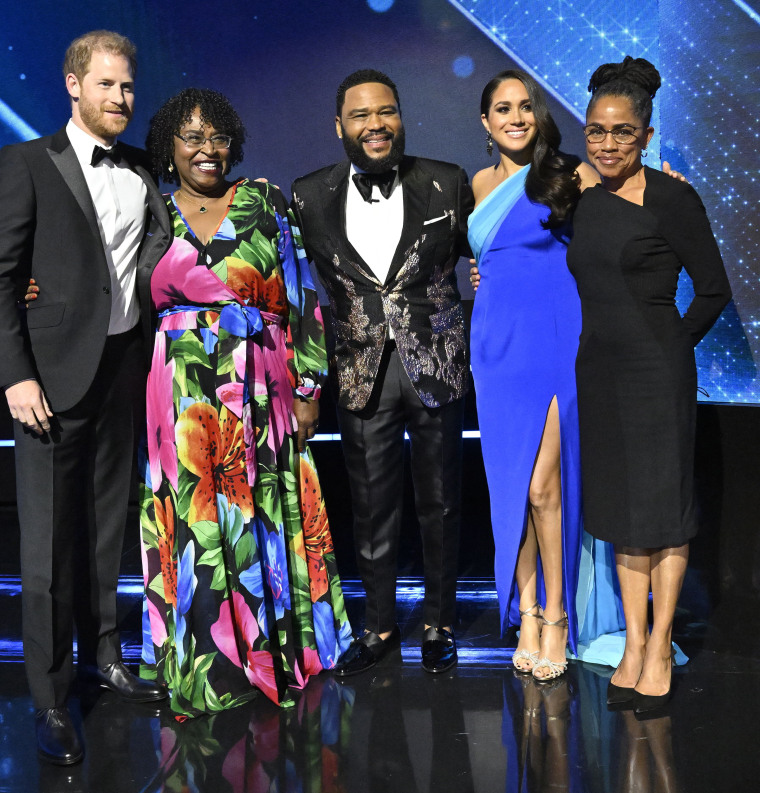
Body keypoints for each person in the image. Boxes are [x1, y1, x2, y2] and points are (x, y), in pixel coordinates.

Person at [138, 88, 352, 717]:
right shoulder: (153, 211)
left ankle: (270, 655)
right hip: (178, 393)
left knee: (259, 513)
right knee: (198, 522)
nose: (206, 150)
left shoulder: (263, 202)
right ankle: (204, 663)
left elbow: (304, 294)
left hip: (259, 386)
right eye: (191, 138)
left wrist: (309, 385)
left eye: (217, 137)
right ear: (168, 147)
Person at [0, 31, 169, 766]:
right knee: (46, 546)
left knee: (107, 529)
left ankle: (108, 659)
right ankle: (48, 694)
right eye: (106, 86)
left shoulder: (140, 167)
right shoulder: (26, 163)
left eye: (128, 87)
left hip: (123, 369)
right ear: (73, 86)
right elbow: (2, 276)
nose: (121, 100)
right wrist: (16, 373)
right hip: (48, 382)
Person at [291, 69, 474, 675]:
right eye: (362, 115)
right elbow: (293, 286)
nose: (376, 125)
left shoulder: (447, 182)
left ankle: (441, 619)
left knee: (442, 500)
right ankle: (377, 624)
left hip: (436, 363)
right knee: (370, 505)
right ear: (338, 126)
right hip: (358, 368)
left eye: (387, 111)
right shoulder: (307, 194)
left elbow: (496, 245)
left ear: (400, 116)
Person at [566, 57, 731, 714]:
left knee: (663, 514)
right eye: (597, 131)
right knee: (622, 517)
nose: (608, 143)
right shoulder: (582, 200)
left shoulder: (673, 197)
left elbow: (714, 290)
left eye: (622, 133)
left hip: (656, 375)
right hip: (597, 372)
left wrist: (670, 346)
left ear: (646, 135)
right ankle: (632, 644)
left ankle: (661, 644)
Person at [468, 70, 612, 682]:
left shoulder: (569, 174)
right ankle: (524, 612)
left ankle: (556, 615)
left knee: (541, 489)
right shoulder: (477, 183)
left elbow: (619, 220)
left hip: (555, 342)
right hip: (495, 347)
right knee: (511, 494)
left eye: (526, 106)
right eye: (503, 109)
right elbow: (487, 259)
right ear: (486, 122)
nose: (516, 117)